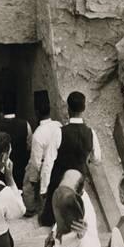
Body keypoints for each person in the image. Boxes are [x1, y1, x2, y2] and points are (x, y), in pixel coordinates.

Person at [39, 91, 102, 226]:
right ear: (84, 109)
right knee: (73, 204)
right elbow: (97, 159)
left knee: (53, 204)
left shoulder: (60, 132)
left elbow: (48, 163)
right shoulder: (91, 133)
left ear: (68, 109)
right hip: (78, 179)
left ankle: (50, 222)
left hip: (59, 178)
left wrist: (44, 188)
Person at [22, 99, 62, 217]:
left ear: (37, 113)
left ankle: (30, 209)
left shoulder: (38, 134)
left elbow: (36, 161)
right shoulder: (58, 125)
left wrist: (33, 179)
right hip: (57, 161)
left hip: (45, 164)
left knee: (27, 184)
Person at [0, 92, 32, 189]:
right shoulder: (25, 124)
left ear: (2, 108)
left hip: (2, 171)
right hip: (21, 168)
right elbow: (29, 146)